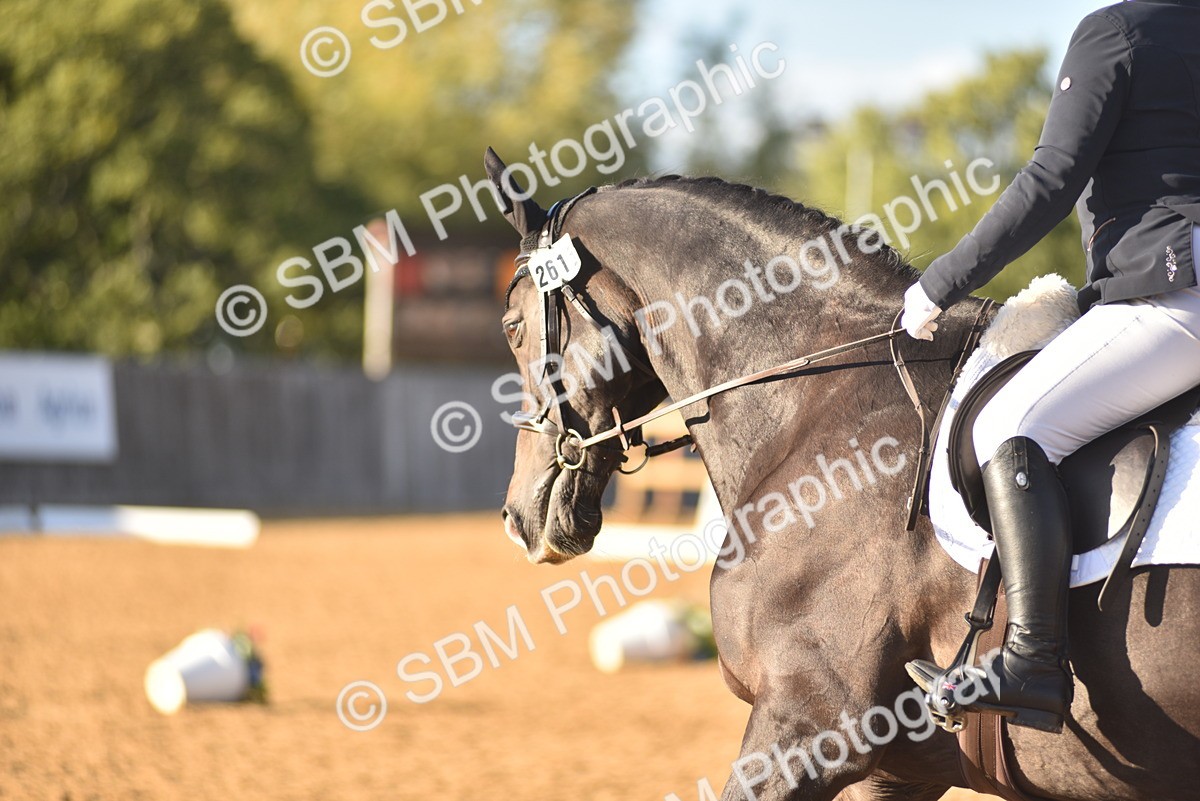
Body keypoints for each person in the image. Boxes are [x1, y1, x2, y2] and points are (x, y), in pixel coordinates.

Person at [900, 0, 1200, 733]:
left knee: (1010, 425)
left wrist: (941, 282)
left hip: (1174, 292)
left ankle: (1032, 662)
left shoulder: (1118, 31)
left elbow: (1052, 177)